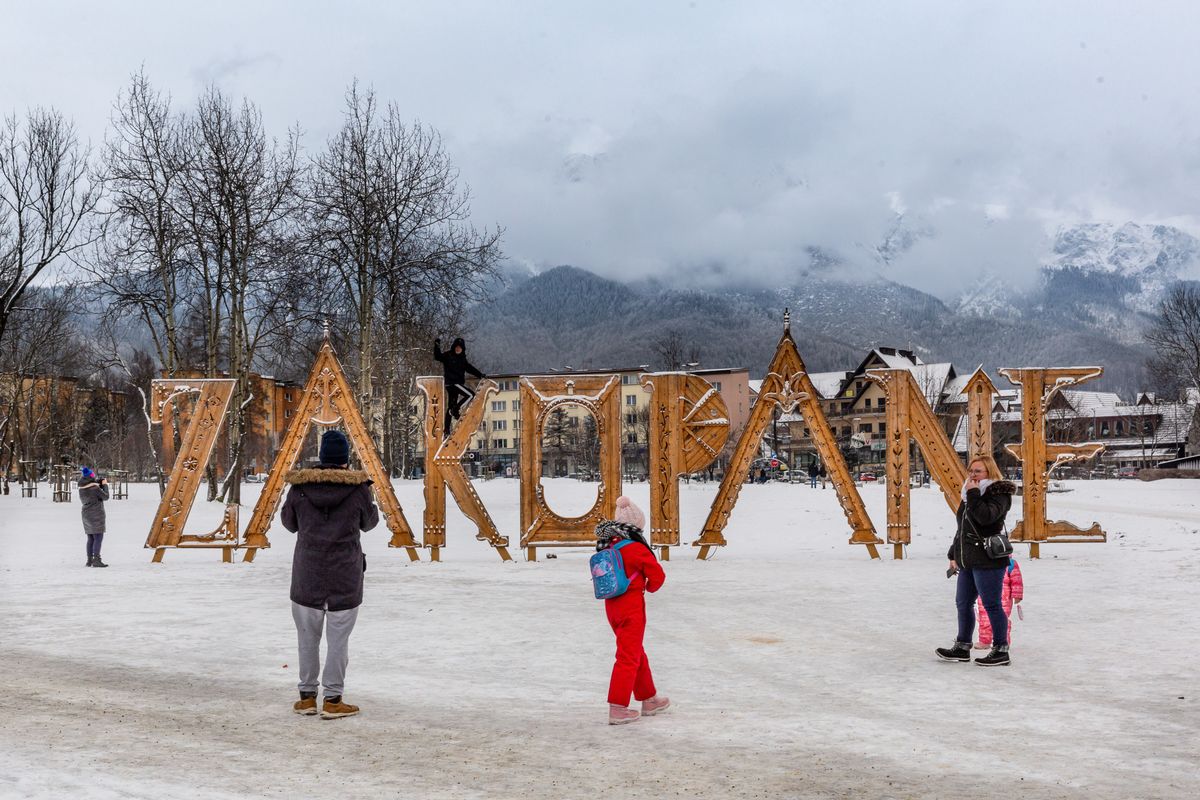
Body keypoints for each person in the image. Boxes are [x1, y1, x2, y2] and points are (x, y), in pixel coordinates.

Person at [281, 430, 379, 719]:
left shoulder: (300, 488)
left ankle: (307, 698)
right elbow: (370, 523)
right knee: (339, 641)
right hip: (345, 577)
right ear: (344, 459)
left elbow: (289, 523)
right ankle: (334, 700)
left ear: (322, 457)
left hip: (307, 575)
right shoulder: (359, 488)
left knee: (306, 638)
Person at [936, 455, 1018, 667]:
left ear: (989, 472)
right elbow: (963, 528)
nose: (972, 475)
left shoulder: (999, 494)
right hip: (968, 559)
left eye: (978, 471)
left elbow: (986, 518)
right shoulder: (968, 495)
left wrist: (973, 494)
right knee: (963, 603)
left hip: (988, 559)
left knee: (991, 604)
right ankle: (963, 646)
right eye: (971, 471)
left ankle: (1001, 649)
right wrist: (953, 553)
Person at [597, 496, 669, 725]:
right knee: (628, 656)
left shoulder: (609, 545)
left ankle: (649, 698)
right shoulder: (636, 548)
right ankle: (618, 707)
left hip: (612, 607)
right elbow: (657, 577)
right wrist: (647, 586)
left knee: (635, 650)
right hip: (631, 608)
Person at [433, 336, 485, 433]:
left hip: (455, 385)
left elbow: (470, 368)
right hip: (452, 384)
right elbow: (437, 356)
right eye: (456, 347)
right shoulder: (448, 355)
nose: (458, 349)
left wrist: (480, 375)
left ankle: (446, 430)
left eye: (460, 348)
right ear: (454, 347)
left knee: (450, 407)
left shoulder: (462, 359)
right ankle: (456, 410)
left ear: (462, 349)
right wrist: (437, 345)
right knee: (471, 395)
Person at [976, 557, 1024, 649]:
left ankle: (1003, 641)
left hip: (1004, 599)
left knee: (1001, 619)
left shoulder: (1010, 563)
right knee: (984, 620)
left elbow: (1017, 580)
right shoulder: (982, 561)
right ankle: (984, 641)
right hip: (984, 596)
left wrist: (1017, 594)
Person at [78, 467, 109, 568]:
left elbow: (92, 486)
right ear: (91, 477)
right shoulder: (95, 489)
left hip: (86, 514)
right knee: (98, 537)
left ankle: (89, 560)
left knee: (90, 537)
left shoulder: (82, 488)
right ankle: (97, 560)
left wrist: (98, 483)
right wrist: (104, 485)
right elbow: (105, 497)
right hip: (96, 514)